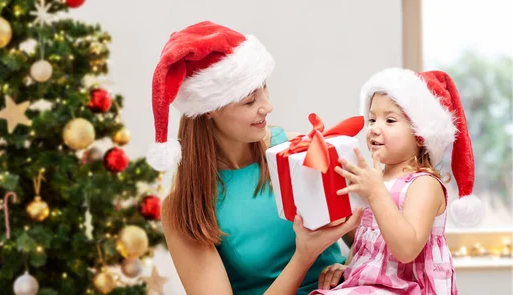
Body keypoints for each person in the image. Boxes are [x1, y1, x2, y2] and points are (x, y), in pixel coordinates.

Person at [146, 21, 362, 295]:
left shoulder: (297, 153)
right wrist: (303, 256)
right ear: (210, 109)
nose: (267, 107)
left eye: (264, 88)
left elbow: (368, 240)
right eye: (249, 101)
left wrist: (352, 266)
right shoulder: (186, 206)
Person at [312, 68, 483, 294]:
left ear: (420, 134)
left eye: (390, 120)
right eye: (372, 119)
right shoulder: (375, 180)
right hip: (373, 286)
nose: (374, 128)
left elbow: (407, 249)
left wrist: (375, 194)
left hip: (409, 287)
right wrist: (348, 267)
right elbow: (366, 243)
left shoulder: (424, 184)